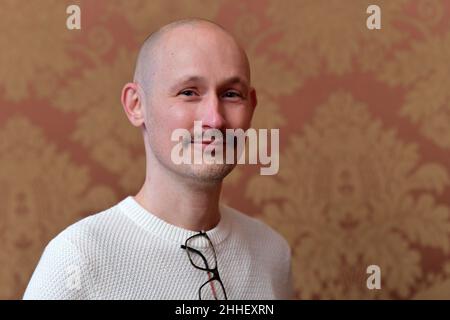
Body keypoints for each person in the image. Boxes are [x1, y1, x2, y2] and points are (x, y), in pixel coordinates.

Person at [23, 18, 293, 300]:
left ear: (251, 106)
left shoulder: (272, 253)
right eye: (188, 92)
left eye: (231, 94)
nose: (214, 119)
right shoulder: (78, 258)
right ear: (136, 105)